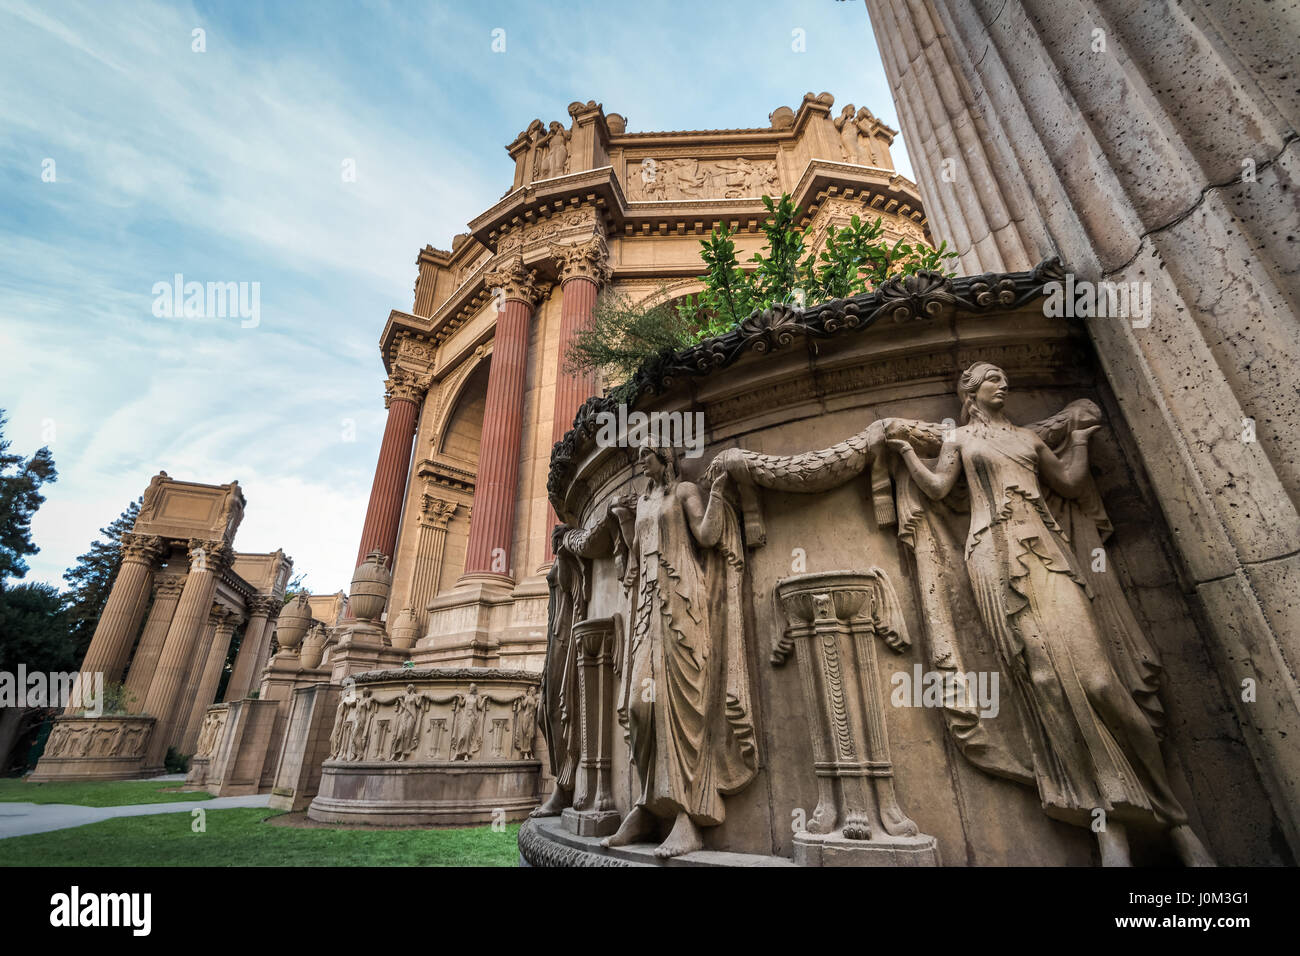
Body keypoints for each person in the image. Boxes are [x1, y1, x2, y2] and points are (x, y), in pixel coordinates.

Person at [888, 362, 1213, 866]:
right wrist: (908, 452)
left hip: (1047, 552)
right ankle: (1109, 827)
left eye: (1005, 376)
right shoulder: (959, 438)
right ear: (972, 391)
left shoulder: (1027, 439)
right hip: (991, 558)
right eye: (994, 378)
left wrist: (1079, 439)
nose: (1005, 383)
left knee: (1100, 680)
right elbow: (936, 489)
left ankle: (1173, 817)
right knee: (1046, 684)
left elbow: (1069, 482)